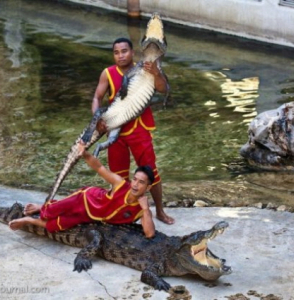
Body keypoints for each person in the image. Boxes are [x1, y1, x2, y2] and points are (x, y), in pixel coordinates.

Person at [92, 37, 174, 225]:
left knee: (151, 172)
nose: (120, 56)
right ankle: (123, 212)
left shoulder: (146, 67)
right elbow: (97, 97)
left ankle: (160, 211)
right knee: (118, 176)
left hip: (140, 129)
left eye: (124, 51)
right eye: (116, 52)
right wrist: (97, 118)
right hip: (117, 133)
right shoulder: (108, 73)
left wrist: (156, 73)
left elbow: (163, 88)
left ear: (132, 52)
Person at [8, 141, 155, 238]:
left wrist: (146, 209)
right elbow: (99, 167)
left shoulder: (142, 210)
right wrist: (85, 153)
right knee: (48, 212)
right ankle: (41, 207)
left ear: (148, 187)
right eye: (134, 179)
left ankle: (28, 220)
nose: (135, 184)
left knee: (55, 225)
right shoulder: (121, 184)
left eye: (141, 182)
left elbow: (149, 234)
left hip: (89, 216)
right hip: (84, 199)